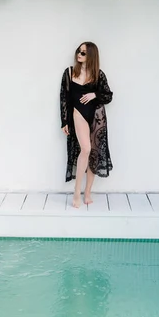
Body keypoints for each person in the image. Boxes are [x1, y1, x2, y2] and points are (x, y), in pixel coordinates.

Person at [60, 42, 113, 208]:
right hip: (78, 114)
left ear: (91, 56)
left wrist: (93, 94)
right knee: (86, 149)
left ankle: (88, 192)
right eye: (79, 51)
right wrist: (65, 121)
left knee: (94, 153)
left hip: (97, 115)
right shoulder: (69, 72)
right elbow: (64, 99)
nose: (79, 55)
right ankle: (77, 192)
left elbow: (108, 96)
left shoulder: (98, 74)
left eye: (83, 53)